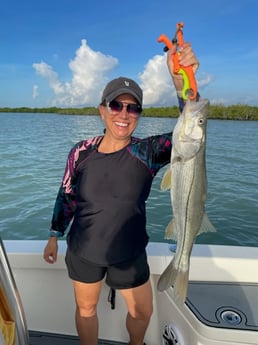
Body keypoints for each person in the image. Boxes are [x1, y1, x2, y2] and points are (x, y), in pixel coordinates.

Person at [43, 42, 199, 345]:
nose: (124, 114)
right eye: (116, 105)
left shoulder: (148, 152)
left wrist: (183, 80)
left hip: (129, 251)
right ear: (102, 110)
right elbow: (66, 196)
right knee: (86, 309)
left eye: (133, 107)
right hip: (84, 249)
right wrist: (53, 234)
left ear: (138, 113)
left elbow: (193, 130)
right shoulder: (81, 152)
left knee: (142, 312)